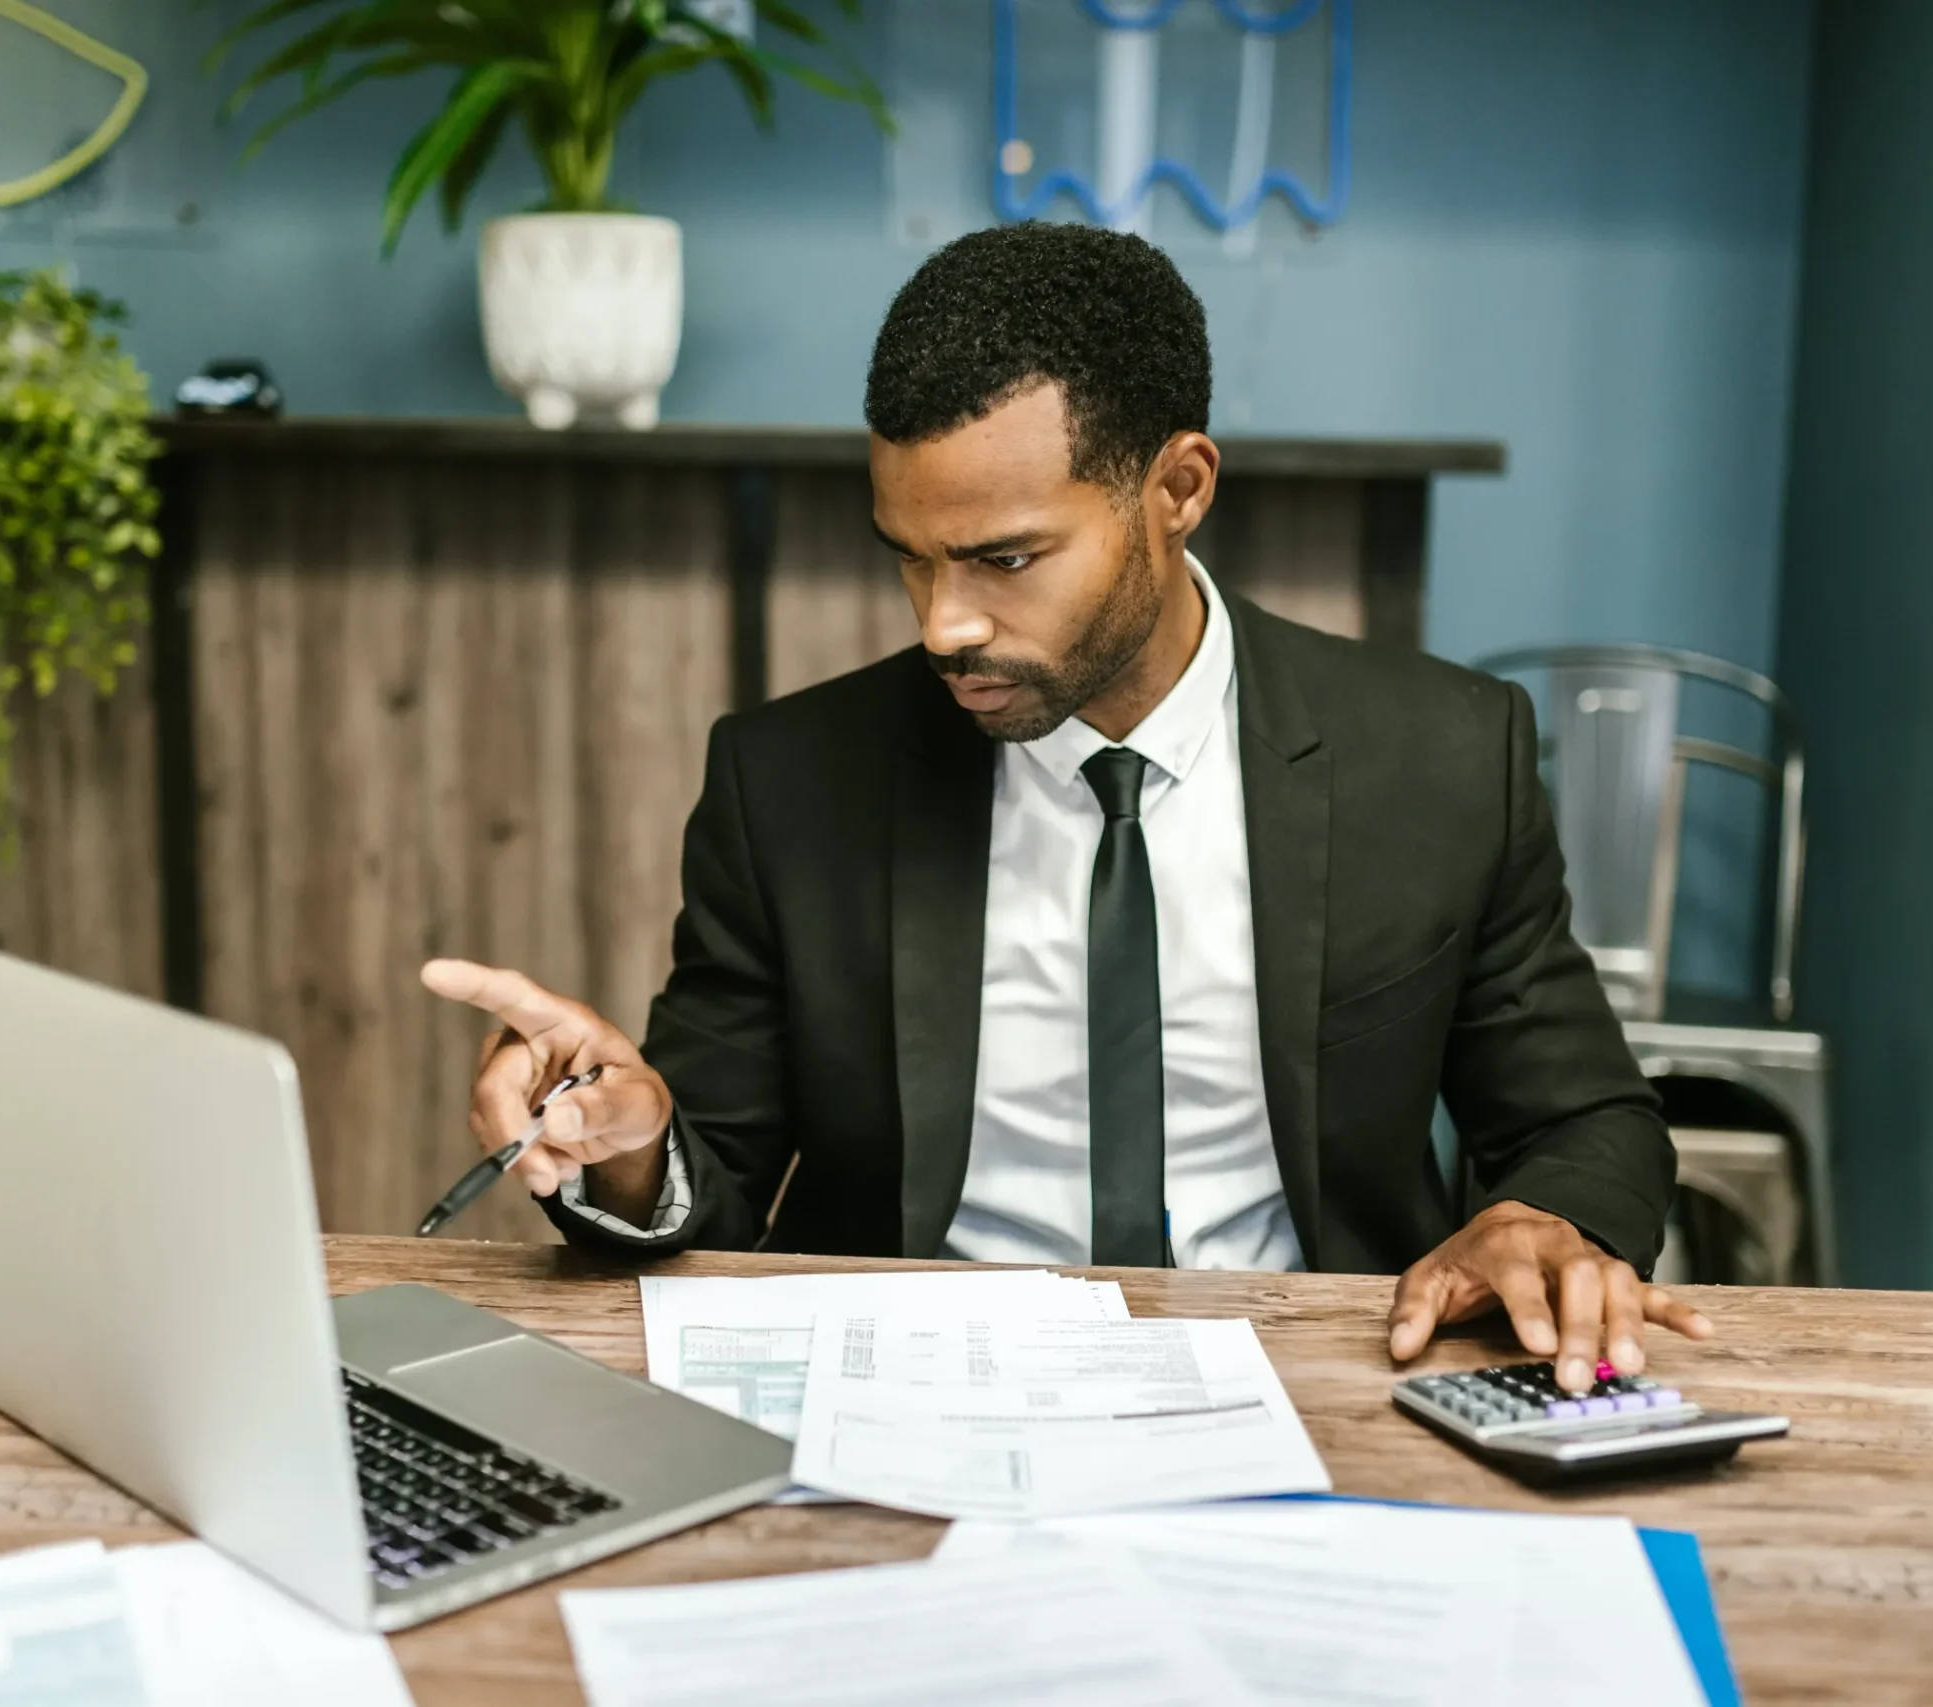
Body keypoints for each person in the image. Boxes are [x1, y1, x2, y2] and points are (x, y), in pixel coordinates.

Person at [423, 223, 1708, 1394]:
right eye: (909, 559)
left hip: (1322, 1377)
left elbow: (1581, 1116)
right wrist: (629, 1146)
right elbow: (715, 1176)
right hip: (916, 1393)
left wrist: (1552, 1223)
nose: (945, 623)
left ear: (1178, 489)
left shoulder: (1435, 755)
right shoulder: (792, 782)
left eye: (1004, 558)